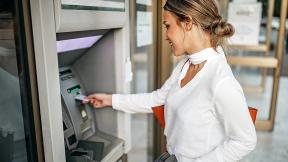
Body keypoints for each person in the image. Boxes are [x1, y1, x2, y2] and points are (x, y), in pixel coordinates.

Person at [86, 0, 257, 161]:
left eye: (168, 26)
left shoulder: (221, 81)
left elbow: (245, 141)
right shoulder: (186, 65)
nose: (166, 35)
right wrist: (110, 100)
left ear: (187, 23)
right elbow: (158, 99)